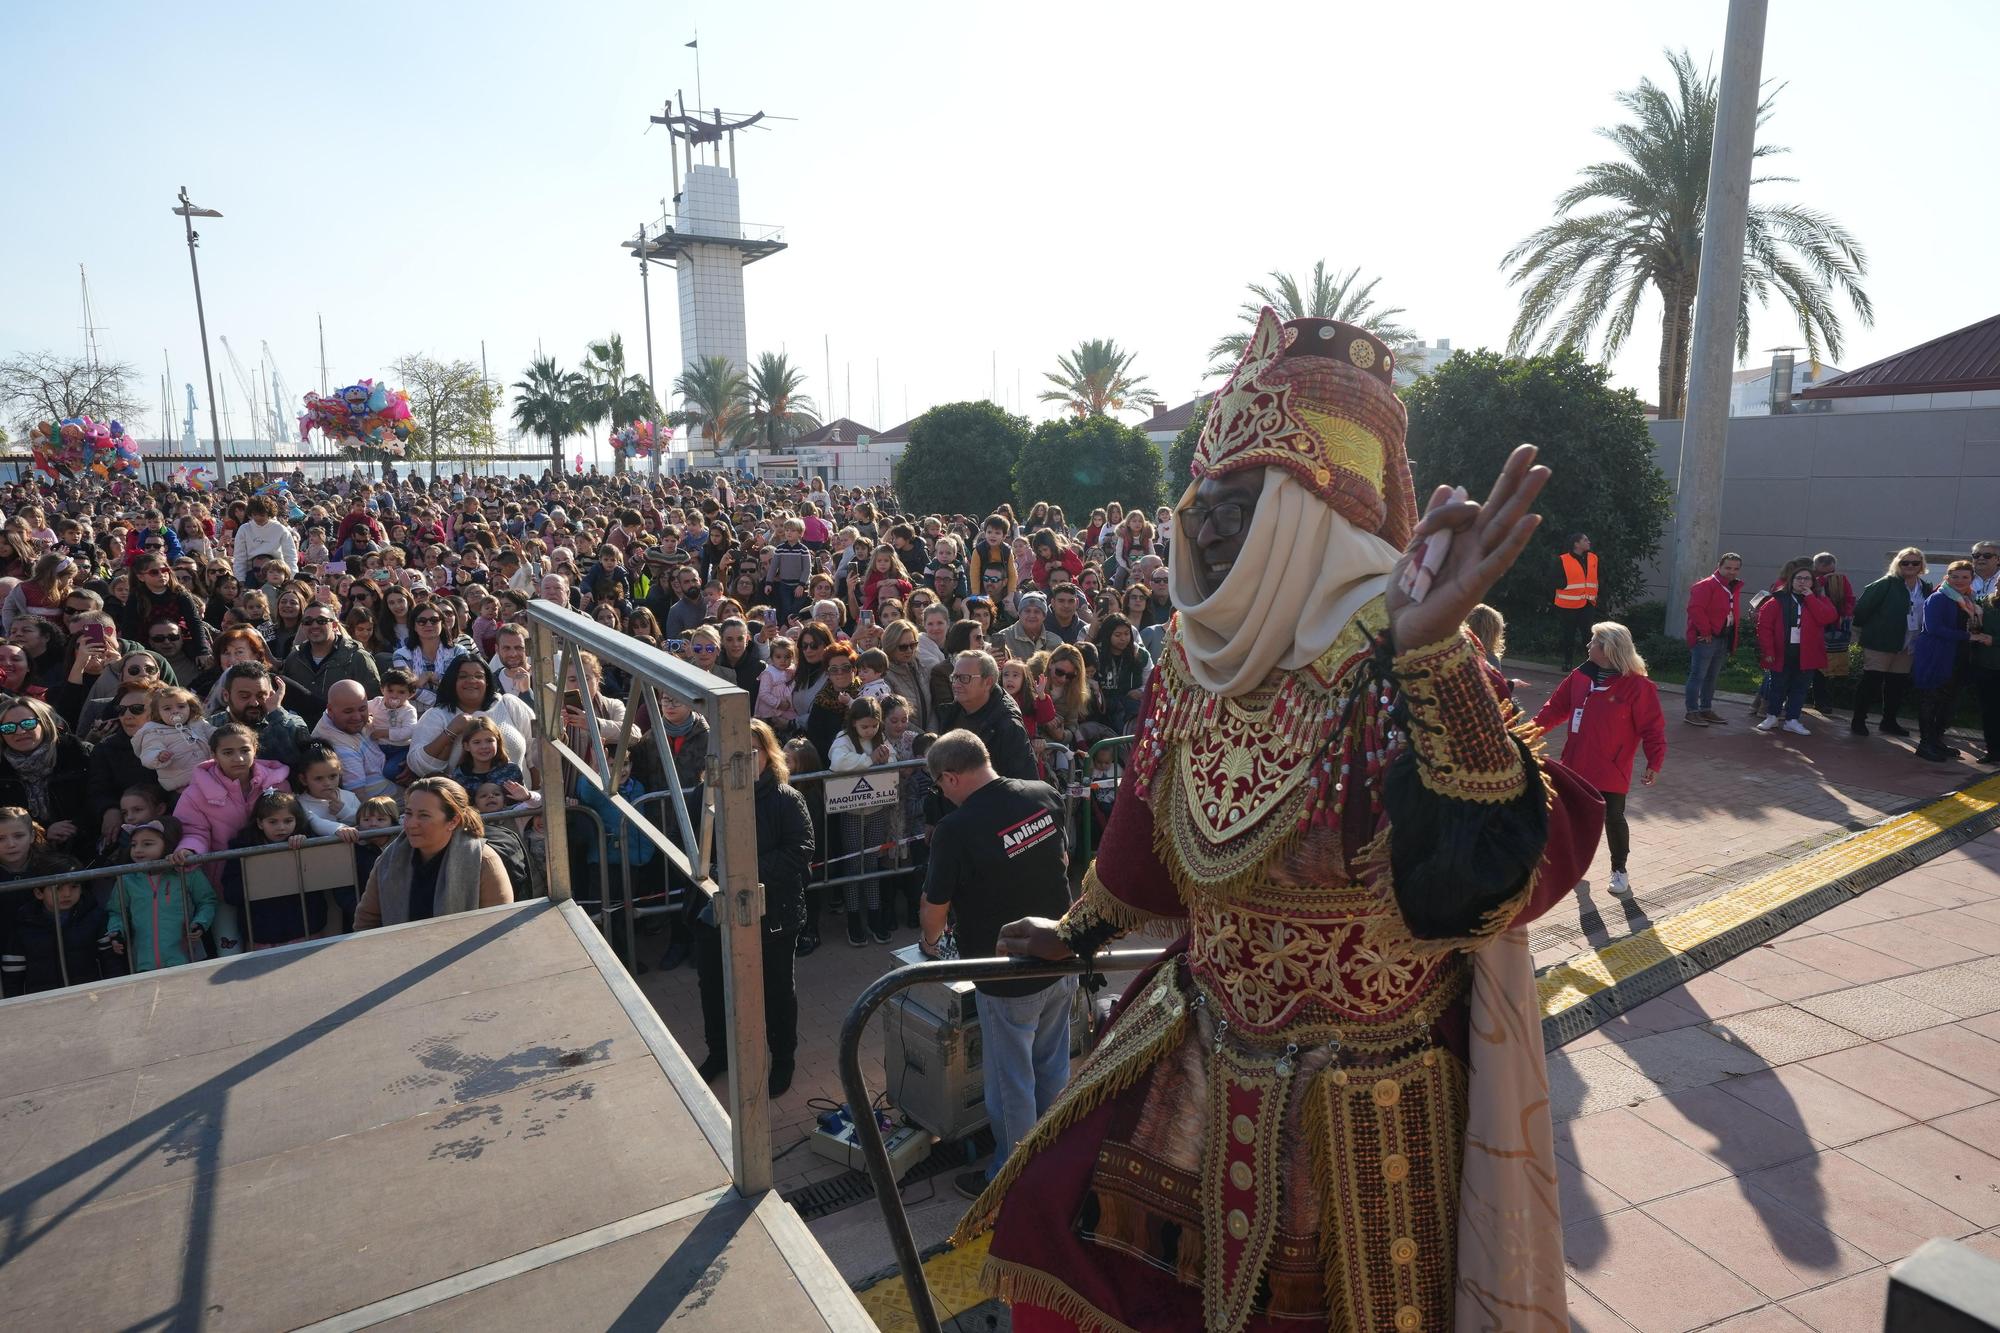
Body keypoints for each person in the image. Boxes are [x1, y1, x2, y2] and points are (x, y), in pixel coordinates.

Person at [964, 313, 1600, 1331]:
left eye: (1239, 504)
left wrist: (1433, 661)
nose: (1208, 530)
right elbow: (1143, 835)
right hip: (1199, 1046)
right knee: (1070, 1235)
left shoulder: (1400, 651)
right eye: (1202, 505)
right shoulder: (1194, 657)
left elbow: (1489, 875)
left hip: (1366, 1096)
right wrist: (1076, 933)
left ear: (1306, 513)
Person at [917, 730, 1076, 1202]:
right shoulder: (1042, 793)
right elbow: (1063, 859)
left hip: (1005, 975)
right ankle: (1053, 1156)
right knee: (1052, 1067)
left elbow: (934, 907)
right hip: (1061, 956)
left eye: (941, 785)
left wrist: (929, 945)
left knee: (1011, 1084)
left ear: (951, 777)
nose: (943, 794)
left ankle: (1010, 1180)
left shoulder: (956, 829)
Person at [693, 719, 812, 1097]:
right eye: (735, 750)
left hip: (774, 913)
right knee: (713, 987)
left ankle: (783, 1058)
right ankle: (719, 1053)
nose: (743, 758)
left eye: (752, 750)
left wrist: (743, 873)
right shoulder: (705, 796)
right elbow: (690, 845)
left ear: (767, 754)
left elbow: (801, 851)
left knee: (777, 990)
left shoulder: (786, 799)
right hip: (716, 912)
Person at [1533, 622, 1666, 896]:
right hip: (1575, 763)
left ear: (1608, 649)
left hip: (1612, 768)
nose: (1588, 645)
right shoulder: (1580, 676)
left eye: (1593, 641)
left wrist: (1654, 762)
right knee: (1569, 816)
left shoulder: (1639, 686)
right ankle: (1570, 867)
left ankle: (1619, 870)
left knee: (1613, 818)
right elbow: (1554, 710)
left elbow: (1652, 729)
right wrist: (1527, 733)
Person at [353, 777, 514, 928]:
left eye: (424, 815)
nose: (411, 824)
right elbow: (366, 920)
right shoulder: (388, 859)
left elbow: (498, 927)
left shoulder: (483, 861)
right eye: (408, 813)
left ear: (453, 821)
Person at [107, 817, 216, 974]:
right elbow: (117, 912)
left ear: (168, 844)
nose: (137, 850)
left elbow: (207, 901)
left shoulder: (188, 873)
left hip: (186, 959)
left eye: (147, 844)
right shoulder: (126, 879)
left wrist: (200, 923)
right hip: (144, 963)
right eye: (134, 844)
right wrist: (116, 932)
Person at [1912, 559, 1993, 763]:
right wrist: (1970, 636)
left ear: (1971, 579)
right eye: (1955, 576)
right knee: (1931, 698)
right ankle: (1925, 744)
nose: (1959, 580)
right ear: (1947, 577)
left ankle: (1936, 740)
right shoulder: (1939, 598)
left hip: (1958, 655)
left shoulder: (1968, 599)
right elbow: (1933, 628)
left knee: (1948, 700)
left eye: (1965, 577)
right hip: (1936, 654)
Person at [1851, 547, 1933, 738]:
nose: (1910, 566)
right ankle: (1858, 720)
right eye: (1905, 562)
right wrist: (1869, 632)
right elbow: (1861, 610)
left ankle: (1889, 721)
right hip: (1881, 641)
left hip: (1909, 643)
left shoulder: (1925, 587)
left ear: (1921, 565)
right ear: (1898, 563)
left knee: (1896, 685)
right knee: (1871, 682)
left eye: (1915, 563)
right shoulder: (1885, 584)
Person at [0, 697, 90, 859]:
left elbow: (95, 797)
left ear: (45, 723)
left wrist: (75, 827)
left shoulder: (74, 754)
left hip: (84, 845)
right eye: (8, 727)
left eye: (28, 724)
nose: (19, 731)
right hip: (23, 857)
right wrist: (44, 831)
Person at [1753, 567, 1838, 735]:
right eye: (1798, 578)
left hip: (1807, 653)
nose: (1802, 582)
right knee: (1777, 686)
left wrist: (1811, 598)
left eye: (1807, 579)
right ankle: (1772, 716)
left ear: (1813, 582)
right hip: (1782, 651)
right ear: (1791, 581)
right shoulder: (1777, 600)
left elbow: (1827, 617)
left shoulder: (1819, 599)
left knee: (1800, 687)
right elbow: (1764, 627)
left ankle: (1792, 720)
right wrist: (1768, 651)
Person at [939, 650, 1038, 781]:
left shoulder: (1008, 726)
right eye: (954, 677)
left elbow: (1024, 783)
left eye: (964, 678)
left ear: (988, 682)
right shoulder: (951, 714)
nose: (956, 684)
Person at [280, 601, 381, 725]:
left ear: (334, 625)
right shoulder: (294, 658)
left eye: (321, 621)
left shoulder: (357, 657)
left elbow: (375, 703)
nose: (314, 625)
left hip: (345, 732)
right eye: (308, 621)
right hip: (302, 731)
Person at [207, 662, 313, 777]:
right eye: (244, 696)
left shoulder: (288, 722)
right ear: (226, 695)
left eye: (261, 696)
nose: (254, 703)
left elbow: (301, 764)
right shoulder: (209, 727)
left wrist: (276, 712)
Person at [1683, 552, 1745, 726]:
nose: (1732, 572)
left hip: (1723, 636)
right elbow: (1695, 609)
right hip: (1707, 638)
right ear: (1719, 566)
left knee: (1712, 676)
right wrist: (1706, 632)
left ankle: (1706, 709)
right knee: (1698, 676)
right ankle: (1692, 711)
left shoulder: (1732, 586)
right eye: (1728, 568)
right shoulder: (1705, 585)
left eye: (1736, 569)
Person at [1554, 529, 1599, 669]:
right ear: (1576, 544)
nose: (1589, 542)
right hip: (1568, 604)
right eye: (1585, 540)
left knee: (1588, 634)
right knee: (1569, 634)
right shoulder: (1563, 559)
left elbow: (1599, 577)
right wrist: (1565, 584)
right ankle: (1567, 662)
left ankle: (1591, 663)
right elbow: (1553, 580)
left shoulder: (1593, 558)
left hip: (1588, 603)